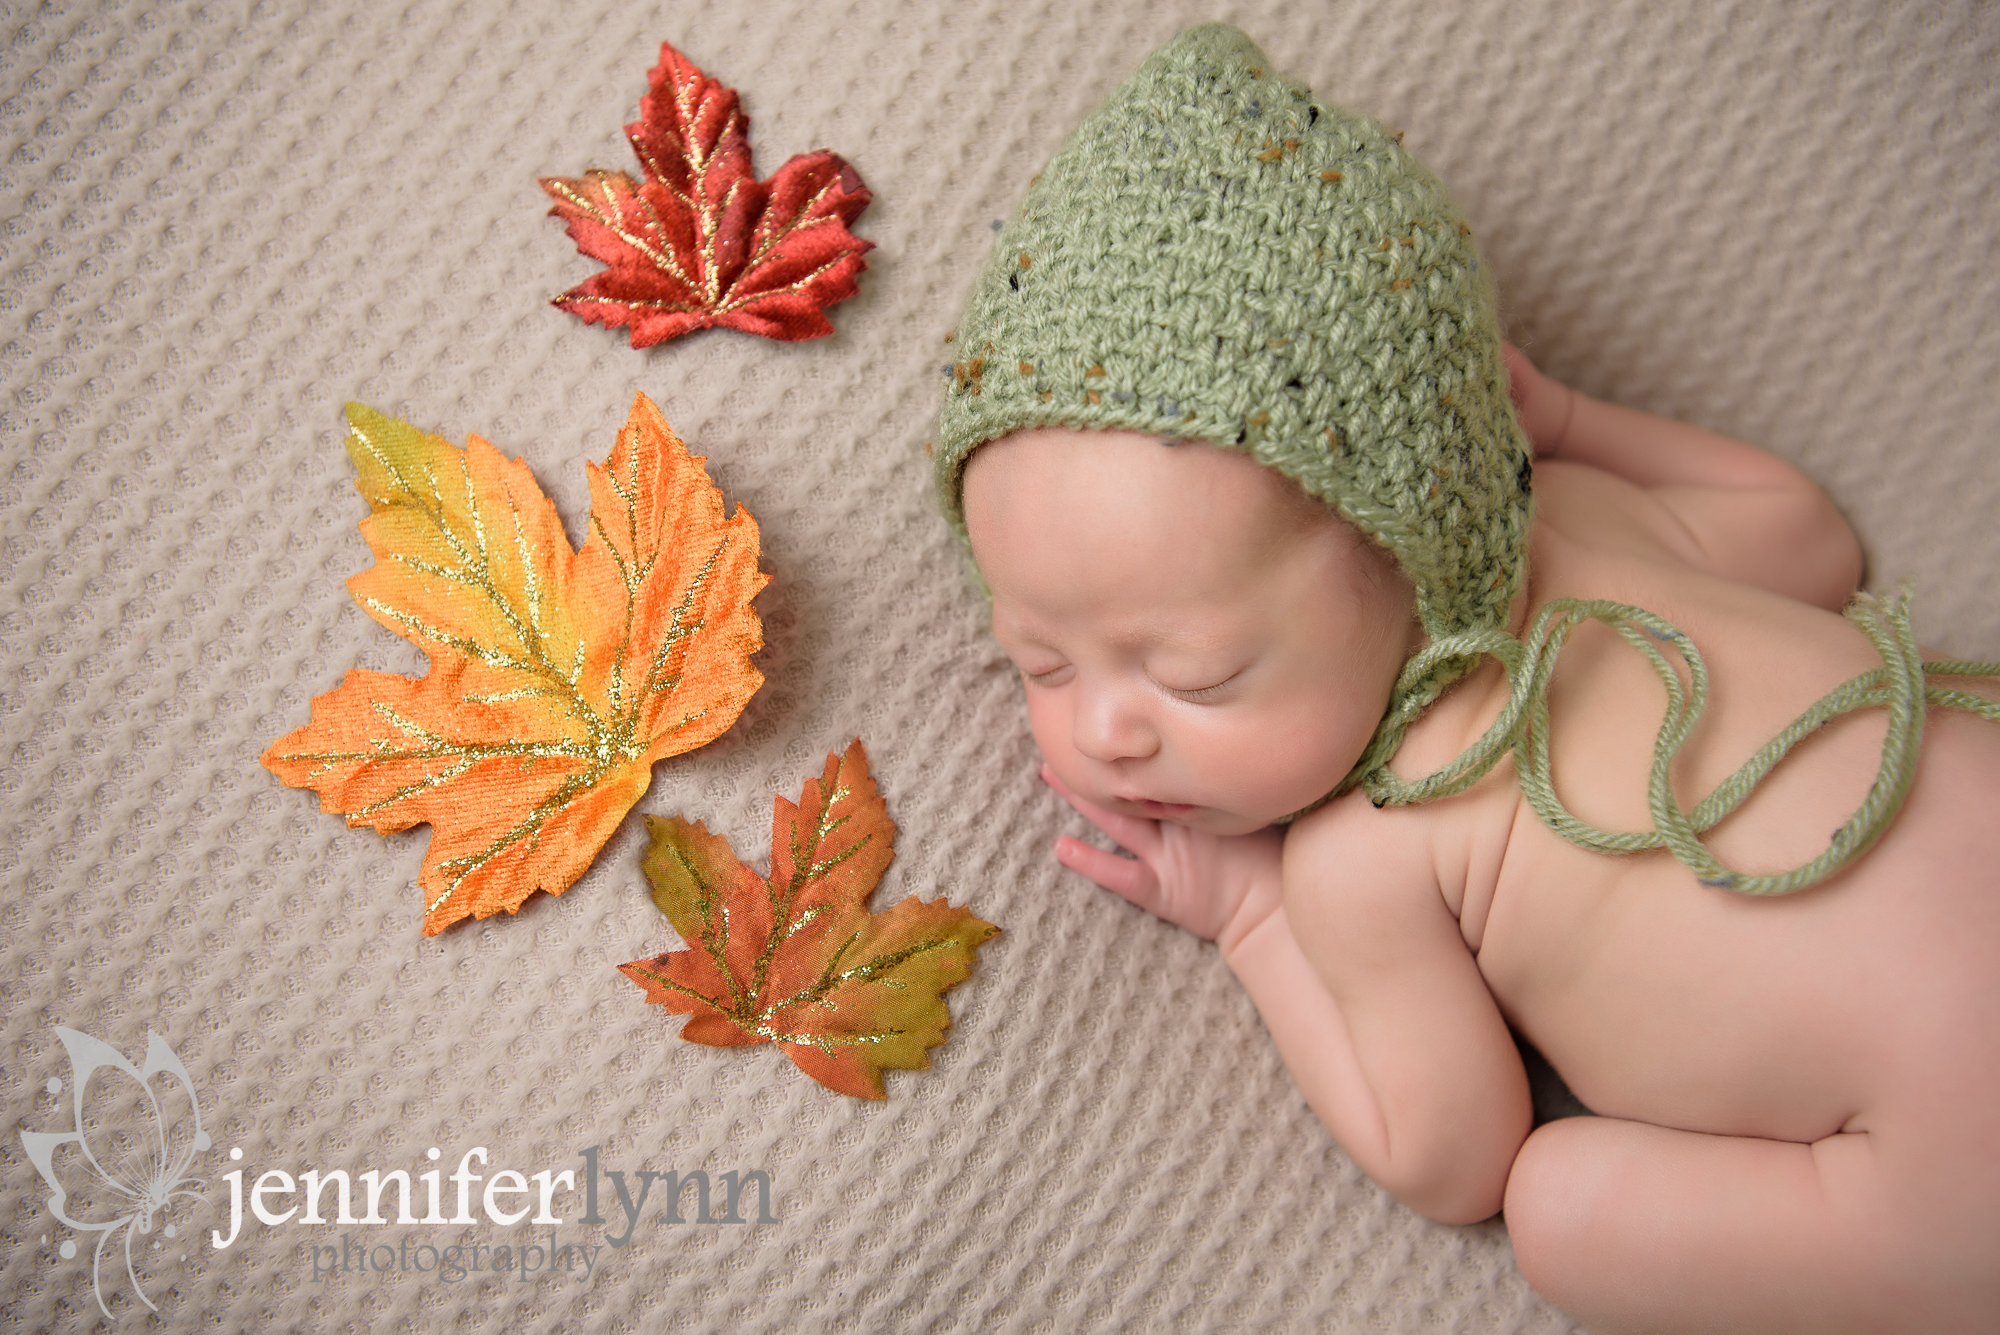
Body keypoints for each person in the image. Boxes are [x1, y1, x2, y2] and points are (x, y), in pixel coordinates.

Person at [932, 24, 2000, 1334]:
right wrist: (1565, 427)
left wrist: (1257, 922)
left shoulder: (1369, 856)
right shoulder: (1589, 515)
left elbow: (1453, 1161)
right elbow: (1808, 535)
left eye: (1198, 679)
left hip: (1953, 1175)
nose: (1102, 729)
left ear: (1415, 543)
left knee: (1557, 1202)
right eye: (1034, 656)